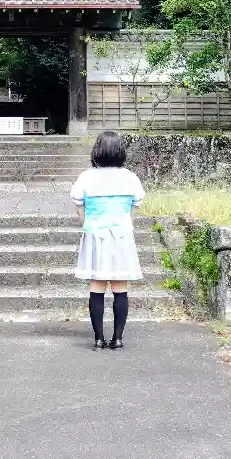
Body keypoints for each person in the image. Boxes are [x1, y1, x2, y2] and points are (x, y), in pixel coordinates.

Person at [70, 130, 145, 351]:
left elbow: (79, 206)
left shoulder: (86, 177)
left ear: (97, 151)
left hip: (95, 234)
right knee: (120, 286)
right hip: (122, 235)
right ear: (121, 152)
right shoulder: (130, 177)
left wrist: (88, 224)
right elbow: (134, 208)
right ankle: (118, 338)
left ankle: (98, 339)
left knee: (97, 285)